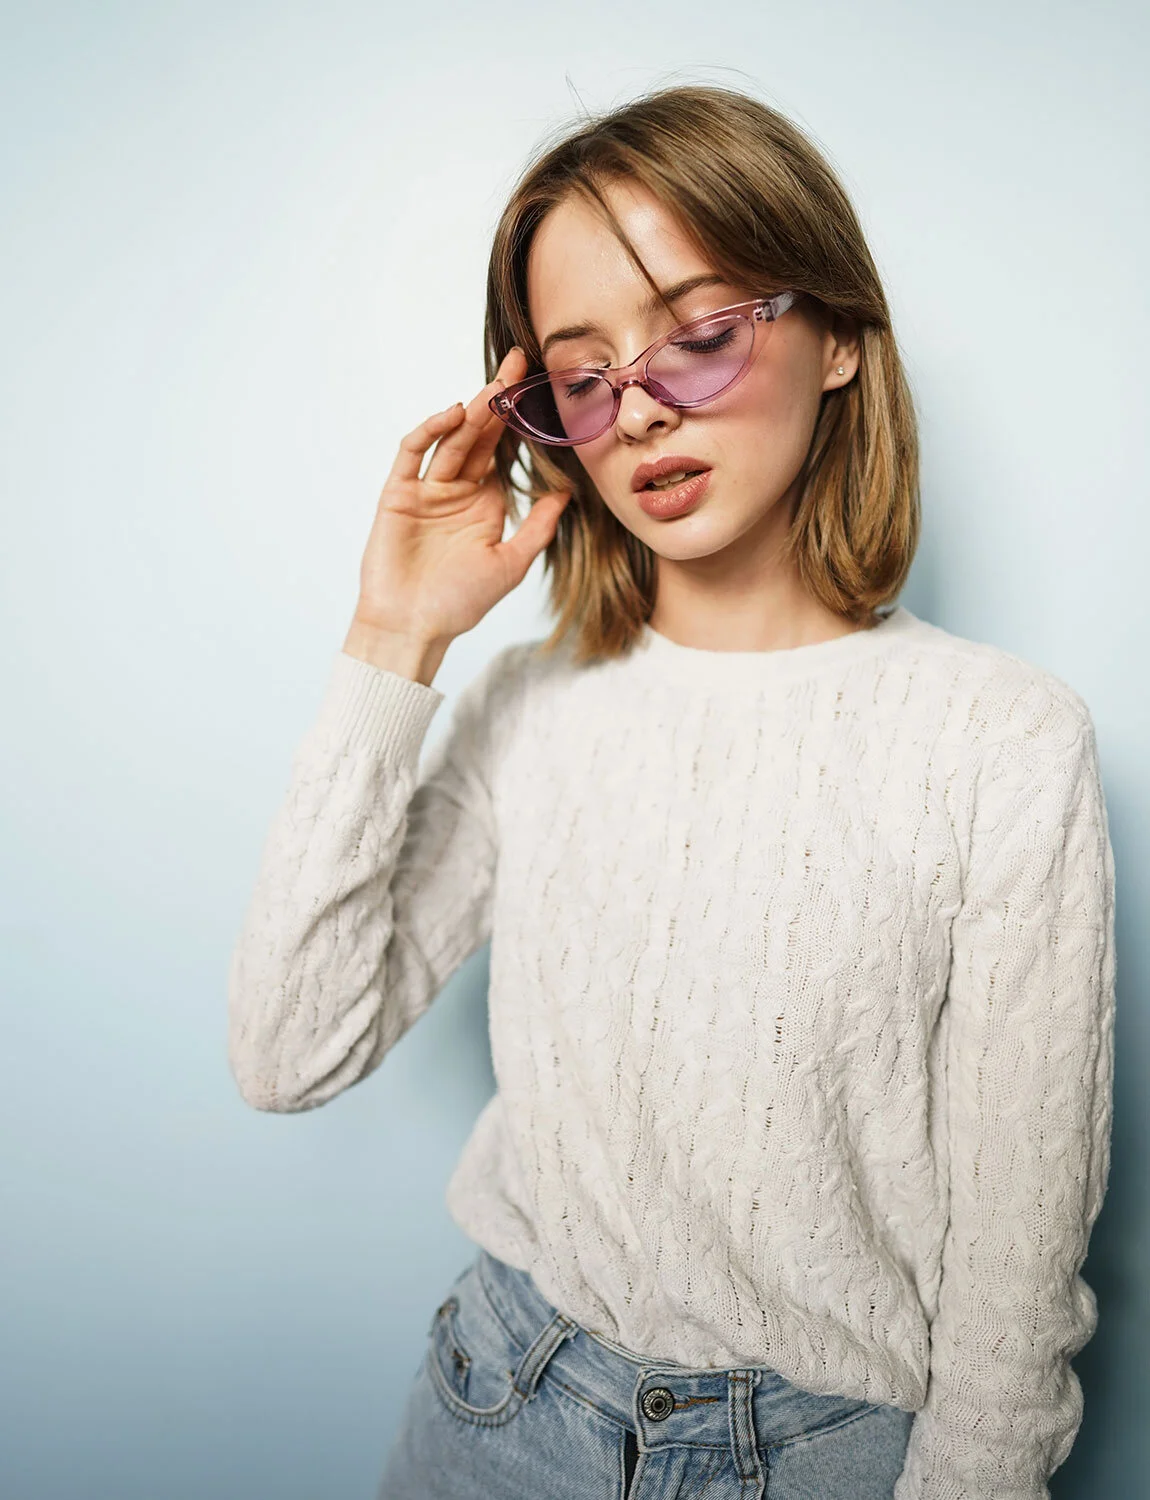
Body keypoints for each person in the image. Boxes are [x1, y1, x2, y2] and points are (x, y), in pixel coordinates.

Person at [226, 83, 1116, 1500]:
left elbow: (1015, 1292)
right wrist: (396, 635)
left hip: (819, 1455)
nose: (638, 408)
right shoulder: (530, 710)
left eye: (696, 338)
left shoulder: (1001, 743)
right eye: (580, 377)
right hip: (494, 1407)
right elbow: (289, 1050)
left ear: (833, 337)